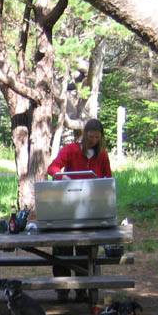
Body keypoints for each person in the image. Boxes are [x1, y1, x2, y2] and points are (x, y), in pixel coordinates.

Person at [46, 118, 112, 303]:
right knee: (63, 247)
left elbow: (108, 179)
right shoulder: (71, 150)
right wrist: (63, 176)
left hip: (90, 207)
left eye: (97, 138)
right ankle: (62, 289)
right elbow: (53, 168)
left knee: (84, 248)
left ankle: (83, 288)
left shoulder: (102, 155)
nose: (93, 141)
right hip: (67, 205)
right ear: (85, 135)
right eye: (90, 137)